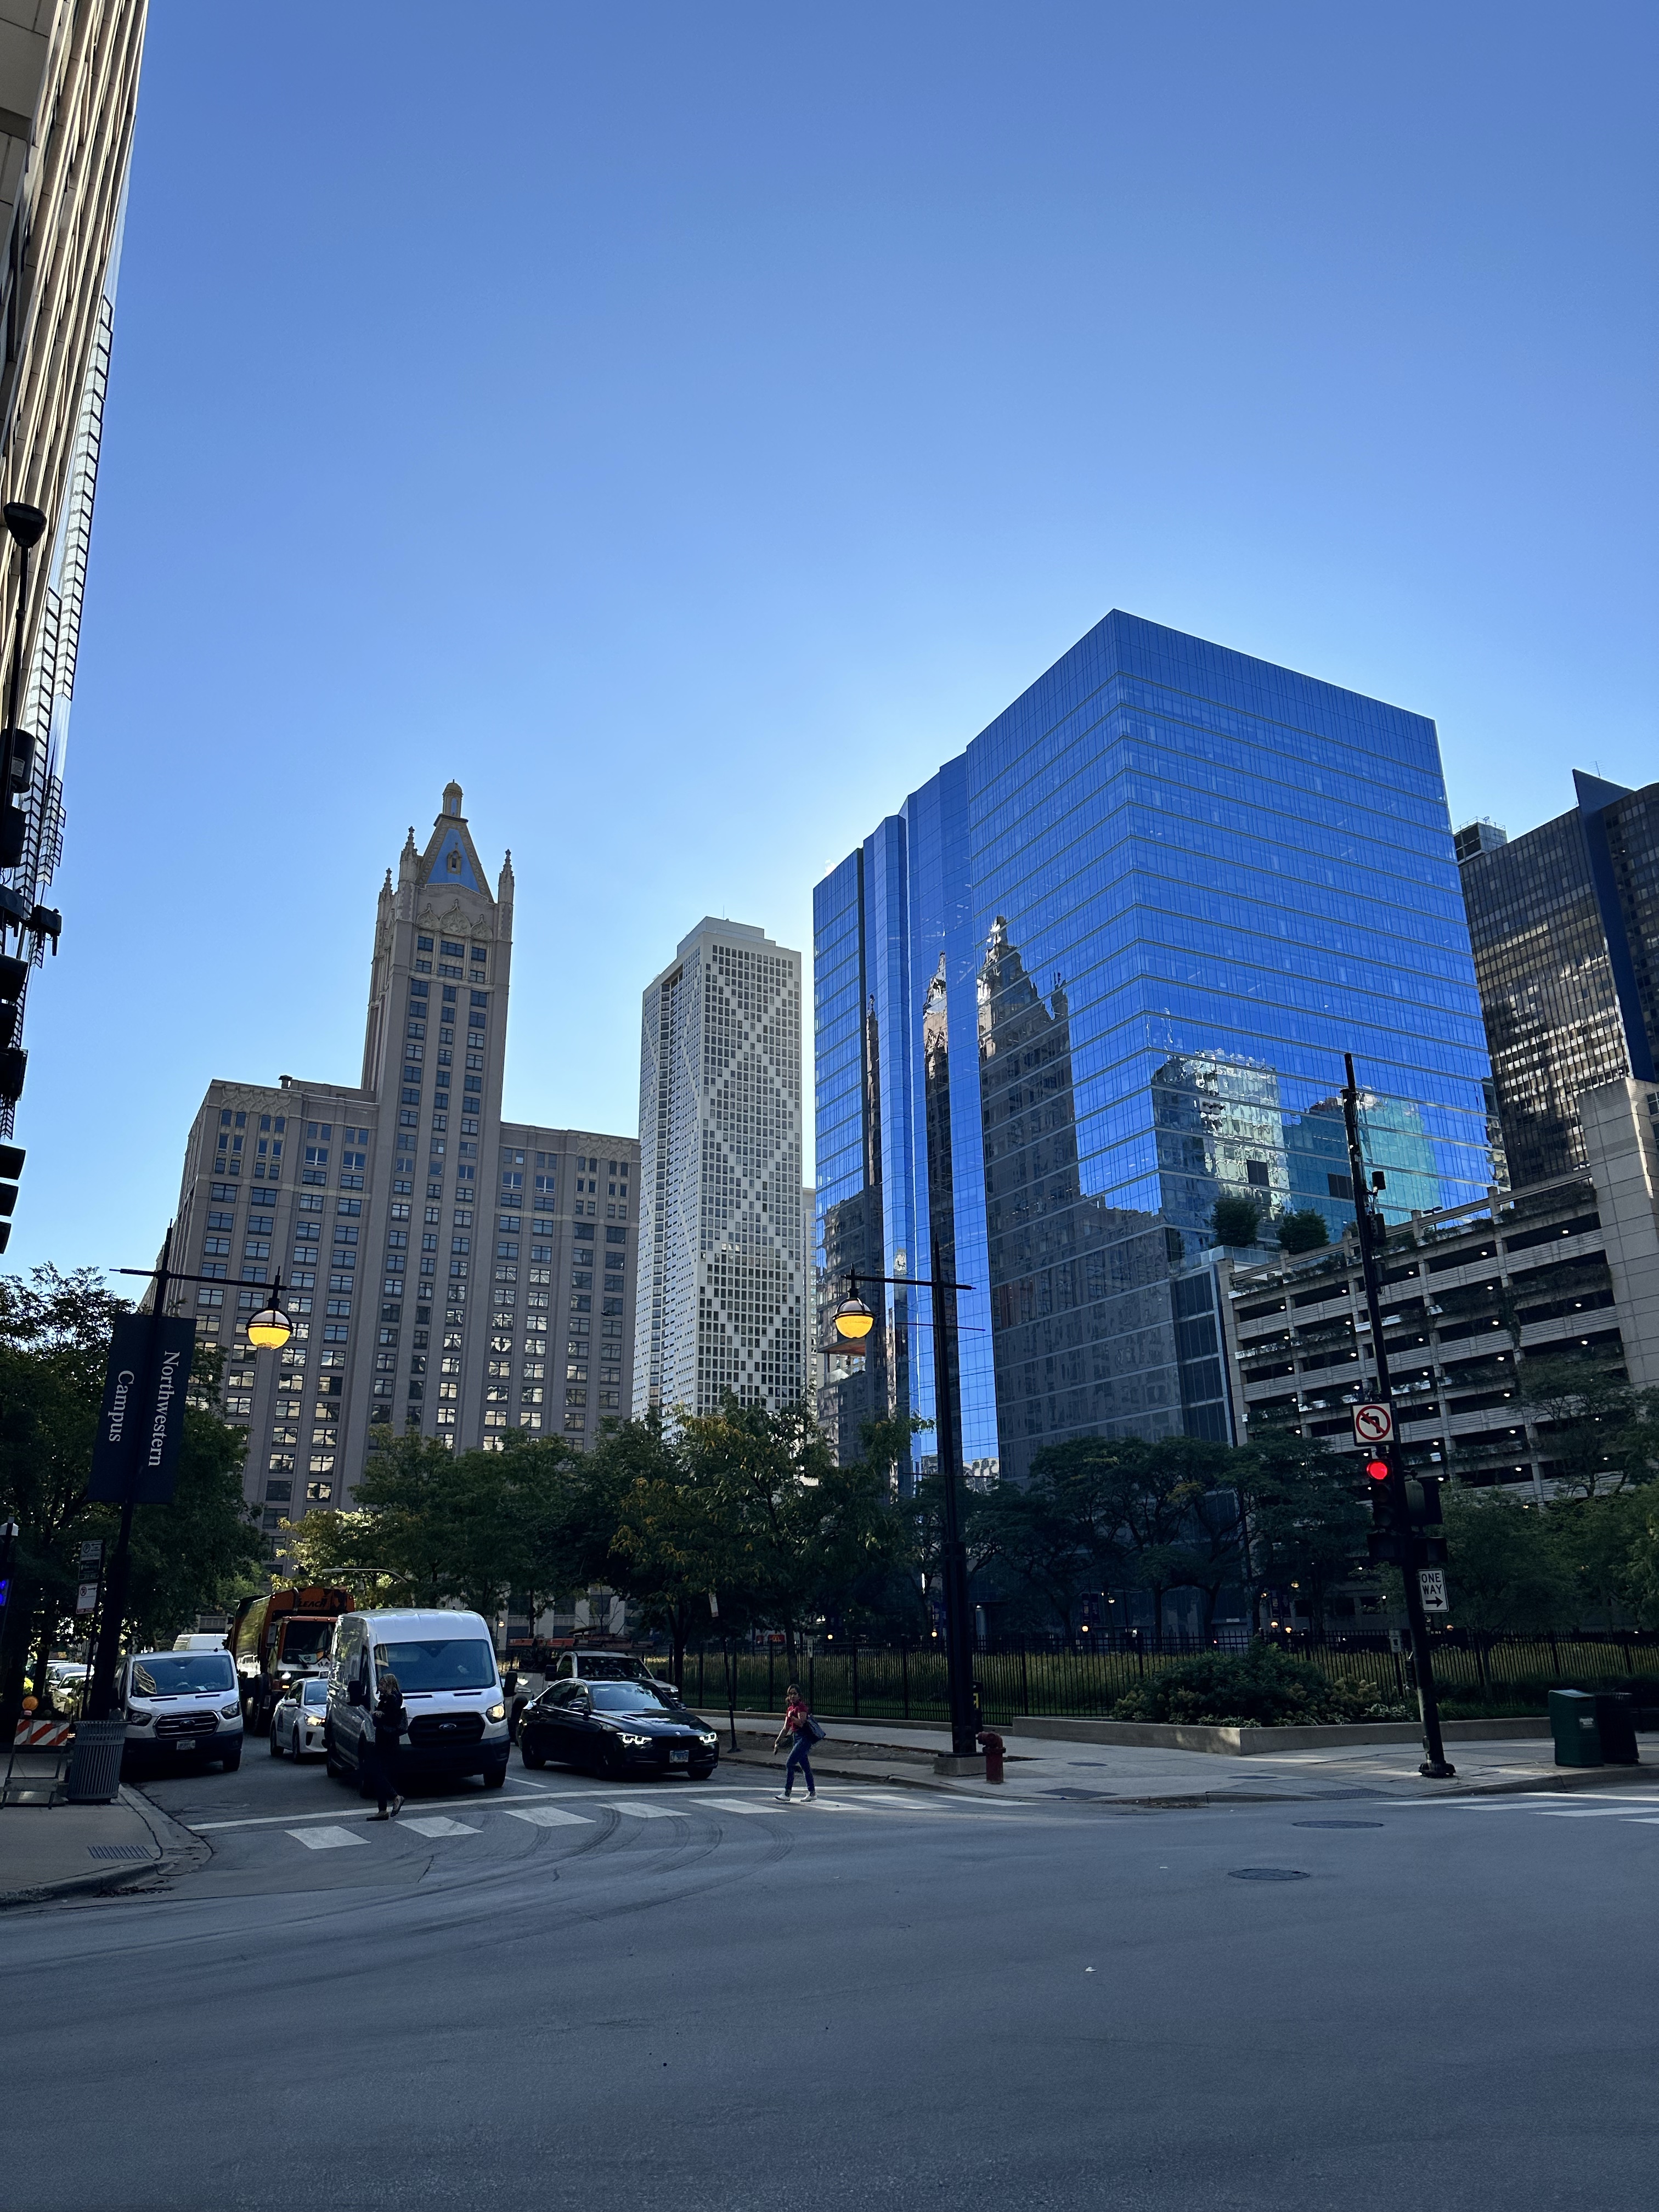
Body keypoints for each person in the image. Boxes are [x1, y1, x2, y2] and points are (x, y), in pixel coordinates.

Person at [369, 1672, 405, 1820]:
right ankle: (382, 1810)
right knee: (380, 1773)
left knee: (377, 1772)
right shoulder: (385, 1699)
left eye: (382, 1684)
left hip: (388, 1741)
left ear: (390, 1684)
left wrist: (381, 1715)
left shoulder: (393, 1699)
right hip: (383, 1739)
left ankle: (395, 1797)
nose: (380, 1687)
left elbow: (393, 1718)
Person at [773, 1682, 816, 1801]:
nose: (792, 1696)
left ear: (799, 1695)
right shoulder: (790, 1709)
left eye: (795, 1694)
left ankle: (787, 1793)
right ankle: (812, 1793)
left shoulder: (801, 1707)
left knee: (790, 1763)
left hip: (804, 1738)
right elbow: (786, 1728)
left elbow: (802, 1723)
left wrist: (792, 1717)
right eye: (790, 1694)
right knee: (805, 1766)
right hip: (796, 1738)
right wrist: (777, 1741)